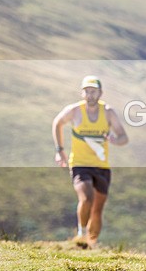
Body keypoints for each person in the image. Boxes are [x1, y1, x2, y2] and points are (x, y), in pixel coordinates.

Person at [52, 75, 129, 248]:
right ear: (82, 93)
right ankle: (81, 234)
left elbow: (124, 137)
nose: (90, 95)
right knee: (87, 197)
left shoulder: (108, 112)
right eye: (87, 91)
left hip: (101, 166)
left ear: (100, 93)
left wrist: (115, 140)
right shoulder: (74, 110)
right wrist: (59, 150)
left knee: (97, 208)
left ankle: (91, 243)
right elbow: (57, 123)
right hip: (80, 164)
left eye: (93, 91)